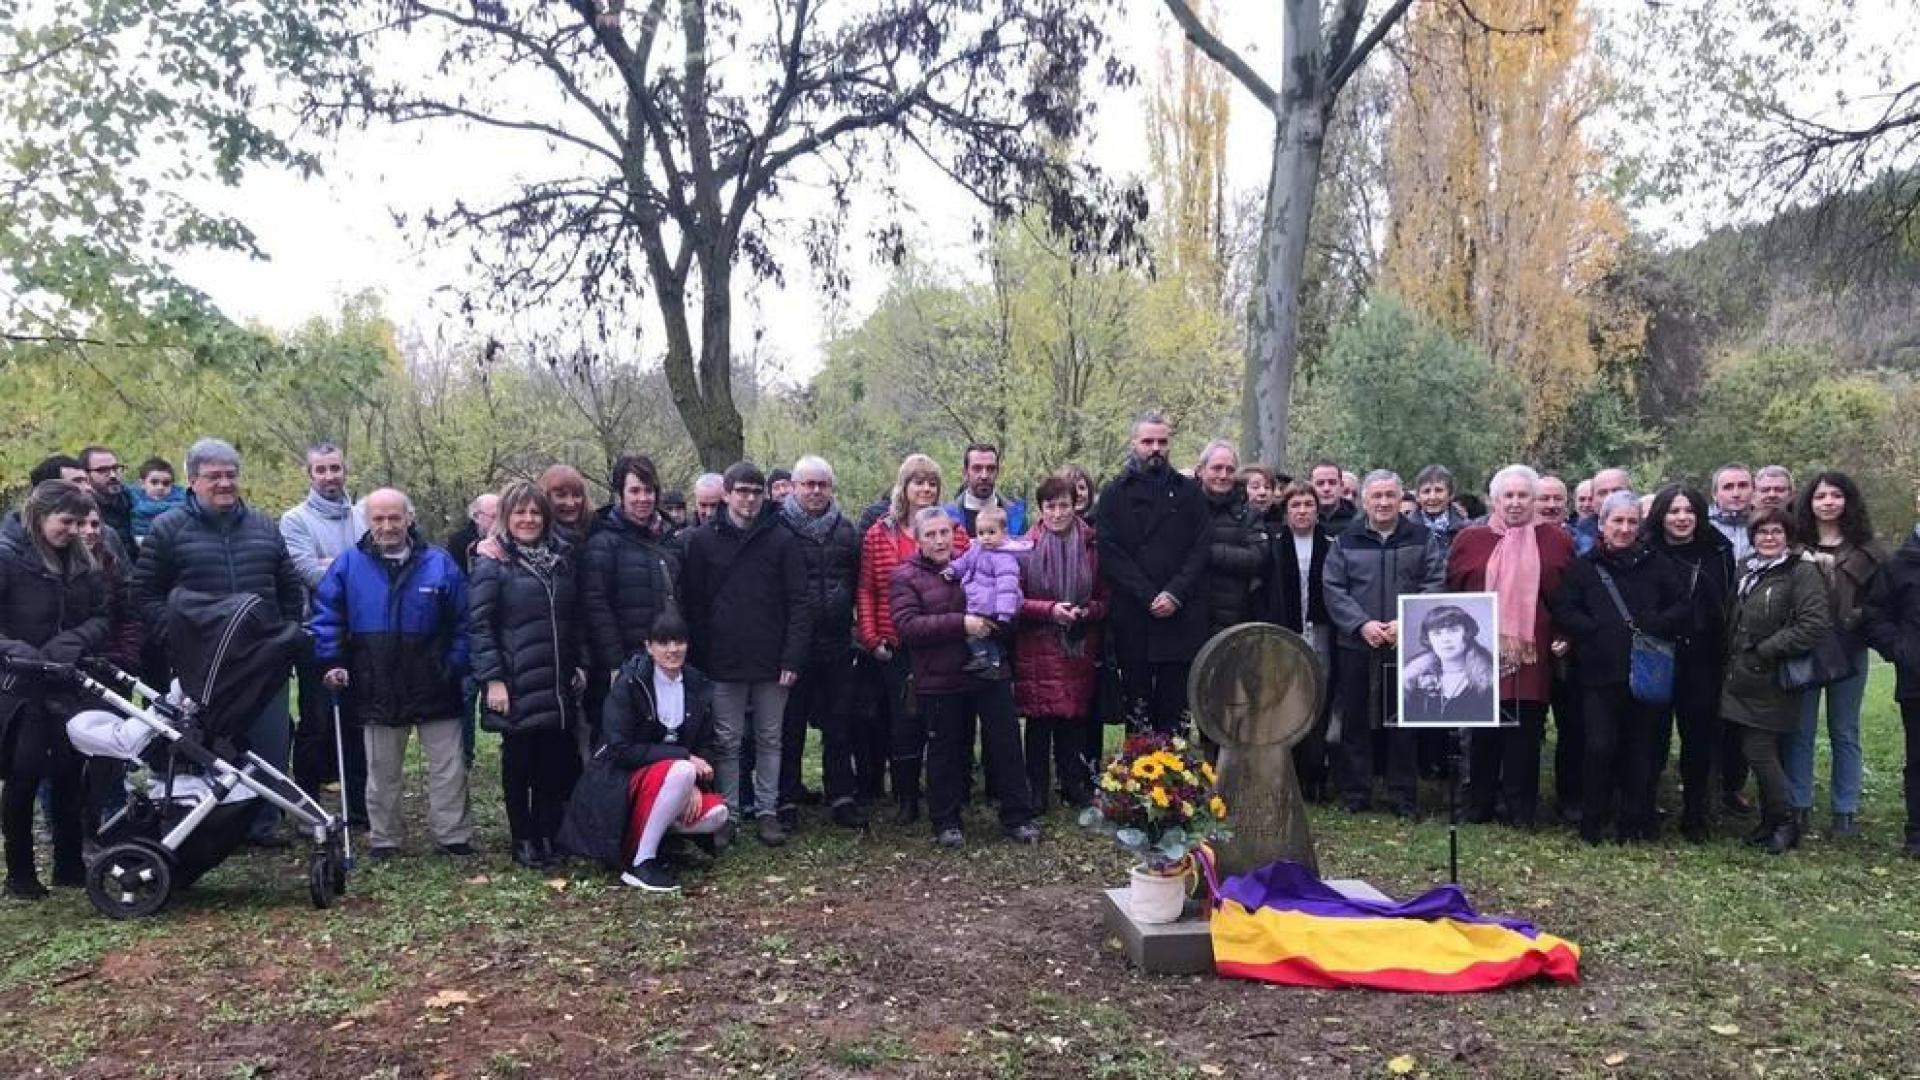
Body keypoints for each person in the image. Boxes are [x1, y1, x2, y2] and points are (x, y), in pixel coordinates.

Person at [134, 437, 305, 844]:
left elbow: (289, 589)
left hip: (262, 656)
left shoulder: (265, 526)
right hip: (200, 662)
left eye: (230, 475)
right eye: (213, 476)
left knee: (269, 739)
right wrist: (176, 635)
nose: (224, 483)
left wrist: (288, 635)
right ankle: (208, 825)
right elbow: (144, 593)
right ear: (193, 481)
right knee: (205, 744)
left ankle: (264, 822)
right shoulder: (167, 528)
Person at [312, 488, 474, 860]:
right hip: (375, 680)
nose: (387, 526)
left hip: (435, 680)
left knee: (448, 765)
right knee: (382, 768)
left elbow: (465, 623)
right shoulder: (348, 565)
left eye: (395, 518)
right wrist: (332, 660)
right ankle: (385, 836)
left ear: (409, 519)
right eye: (379, 519)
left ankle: (452, 834)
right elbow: (327, 617)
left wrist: (453, 665)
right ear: (368, 522)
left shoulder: (440, 563)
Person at [890, 507, 1041, 847]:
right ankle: (946, 820)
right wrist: (961, 623)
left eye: (944, 532)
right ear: (917, 539)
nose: (940, 540)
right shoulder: (904, 576)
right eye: (930, 534)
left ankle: (1018, 815)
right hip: (940, 677)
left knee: (1005, 743)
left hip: (989, 670)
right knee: (945, 750)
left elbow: (1005, 596)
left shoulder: (978, 557)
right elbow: (907, 626)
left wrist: (1007, 608)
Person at [681, 461, 812, 847]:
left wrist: (792, 658)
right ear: (726, 494)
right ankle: (729, 814)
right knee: (727, 741)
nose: (750, 499)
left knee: (771, 737)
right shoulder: (703, 541)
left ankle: (768, 811)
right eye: (742, 491)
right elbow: (694, 604)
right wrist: (701, 658)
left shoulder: (782, 540)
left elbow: (799, 603)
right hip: (723, 661)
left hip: (773, 661)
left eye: (756, 491)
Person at [1549, 491, 1691, 844]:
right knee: (1598, 747)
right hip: (1599, 674)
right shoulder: (1585, 566)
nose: (1625, 528)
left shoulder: (1657, 565)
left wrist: (1657, 623)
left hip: (1646, 673)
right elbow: (1564, 608)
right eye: (1618, 521)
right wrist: (1593, 629)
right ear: (1603, 524)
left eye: (1631, 521)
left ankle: (1635, 823)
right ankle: (1593, 820)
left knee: (1640, 750)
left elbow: (1683, 606)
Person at [1445, 465, 1577, 827]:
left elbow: (1569, 596)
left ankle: (1519, 809)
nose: (1516, 503)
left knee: (1526, 733)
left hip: (1532, 653)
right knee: (1481, 733)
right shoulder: (1468, 541)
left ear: (1534, 500)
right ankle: (1479, 805)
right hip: (1479, 651)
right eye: (1509, 496)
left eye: (1523, 496)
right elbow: (1452, 593)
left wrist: (1565, 635)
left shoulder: (1556, 541)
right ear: (1494, 500)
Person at [468, 480, 584, 869]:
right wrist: (493, 680)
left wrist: (579, 664)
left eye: (535, 512)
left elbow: (574, 619)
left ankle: (549, 832)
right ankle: (523, 838)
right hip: (515, 679)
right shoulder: (493, 561)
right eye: (520, 512)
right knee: (519, 762)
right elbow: (480, 625)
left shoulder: (563, 560)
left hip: (556, 680)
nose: (528, 519)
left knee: (552, 762)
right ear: (506, 517)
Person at [0, 482, 108, 899]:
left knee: (69, 773)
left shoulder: (83, 562)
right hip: (21, 685)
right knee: (24, 776)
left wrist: (76, 639)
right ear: (40, 516)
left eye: (82, 521)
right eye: (68, 521)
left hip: (67, 679)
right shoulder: (8, 558)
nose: (78, 530)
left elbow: (102, 615)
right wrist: (17, 650)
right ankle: (21, 874)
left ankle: (69, 865)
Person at [1323, 470, 1446, 816]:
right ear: (1364, 501)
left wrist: (1406, 622)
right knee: (1355, 720)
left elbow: (1435, 582)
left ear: (1401, 498)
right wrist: (1360, 624)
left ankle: (1403, 796)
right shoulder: (1346, 540)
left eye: (1390, 495)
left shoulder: (1422, 538)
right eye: (1376, 496)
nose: (1383, 502)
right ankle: (1356, 793)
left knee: (1403, 721)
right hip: (1356, 643)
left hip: (1406, 645)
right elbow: (1333, 588)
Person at [856, 454, 969, 823]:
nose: (925, 489)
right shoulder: (880, 532)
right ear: (904, 487)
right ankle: (906, 798)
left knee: (946, 724)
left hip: (945, 641)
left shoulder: (954, 529)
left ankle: (950, 794)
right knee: (903, 723)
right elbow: (868, 589)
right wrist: (872, 638)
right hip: (898, 643)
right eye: (917, 482)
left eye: (932, 483)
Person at [1721, 507, 1831, 854]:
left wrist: (1766, 650)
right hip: (1739, 679)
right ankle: (1769, 822)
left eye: (1776, 532)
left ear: (1788, 536)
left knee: (1760, 751)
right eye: (1762, 532)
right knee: (1751, 751)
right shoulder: (1746, 569)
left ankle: (1785, 821)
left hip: (1772, 678)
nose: (1768, 538)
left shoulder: (1801, 571)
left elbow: (1813, 624)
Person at [595, 613, 729, 893]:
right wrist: (684, 760)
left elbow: (706, 744)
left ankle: (661, 841)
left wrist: (692, 783)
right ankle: (641, 862)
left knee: (717, 814)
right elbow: (620, 749)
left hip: (675, 777)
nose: (672, 650)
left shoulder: (695, 683)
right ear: (648, 647)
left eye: (678, 641)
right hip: (625, 781)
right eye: (663, 643)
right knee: (681, 768)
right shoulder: (630, 683)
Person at [1095, 412, 1211, 733]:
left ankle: (1176, 780)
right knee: (1138, 707)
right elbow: (1110, 551)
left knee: (1175, 710)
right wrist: (1147, 595)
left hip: (1180, 614)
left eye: (1162, 442)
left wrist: (1175, 592)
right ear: (1135, 444)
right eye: (1148, 442)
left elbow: (1200, 548)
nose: (1155, 448)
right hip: (1135, 615)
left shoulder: (1189, 493)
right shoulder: (1114, 493)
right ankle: (1136, 779)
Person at [1786, 471, 1884, 838]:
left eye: (1836, 495)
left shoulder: (1870, 549)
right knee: (1800, 730)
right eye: (1820, 496)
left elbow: (1881, 601)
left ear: (1848, 501)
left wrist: (1858, 619)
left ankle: (1845, 812)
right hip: (1805, 650)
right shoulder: (1794, 547)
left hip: (1849, 649)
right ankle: (1798, 806)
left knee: (1845, 730)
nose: (1828, 502)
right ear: (1808, 503)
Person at [776, 455, 870, 830]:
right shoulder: (778, 530)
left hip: (836, 643)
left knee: (838, 724)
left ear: (831, 488)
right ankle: (785, 799)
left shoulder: (847, 531)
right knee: (790, 727)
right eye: (808, 484)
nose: (815, 491)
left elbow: (859, 584)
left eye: (822, 484)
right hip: (792, 647)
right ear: (795, 487)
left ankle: (841, 796)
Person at [281, 443, 369, 828]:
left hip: (363, 634)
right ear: (310, 474)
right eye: (321, 470)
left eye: (336, 468)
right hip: (315, 632)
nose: (330, 476)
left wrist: (334, 565)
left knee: (357, 721)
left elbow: (376, 564)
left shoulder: (364, 515)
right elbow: (310, 573)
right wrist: (353, 571)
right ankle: (308, 806)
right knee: (316, 723)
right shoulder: (294, 520)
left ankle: (358, 805)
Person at [1643, 485, 1736, 841]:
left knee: (1699, 738)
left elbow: (1726, 601)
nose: (1681, 518)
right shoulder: (1645, 549)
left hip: (1703, 655)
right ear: (1661, 515)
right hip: (1657, 651)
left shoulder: (1717, 550)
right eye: (1673, 511)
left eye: (1688, 511)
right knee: (1653, 736)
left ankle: (1696, 813)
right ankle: (1646, 807)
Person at [1015, 476, 1107, 810]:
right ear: (1041, 509)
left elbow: (1105, 598)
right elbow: (1015, 600)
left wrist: (1085, 611)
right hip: (1037, 644)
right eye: (1050, 506)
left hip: (1078, 644)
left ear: (1075, 505)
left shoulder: (1092, 545)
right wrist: (1050, 610)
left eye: (1063, 505)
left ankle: (1074, 785)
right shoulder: (1026, 546)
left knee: (1073, 721)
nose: (1057, 513)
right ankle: (1036, 790)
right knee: (1039, 725)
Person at [581, 455, 681, 762]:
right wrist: (615, 663)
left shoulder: (672, 539)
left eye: (649, 490)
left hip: (667, 660)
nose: (643, 498)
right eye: (635, 491)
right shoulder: (603, 543)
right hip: (623, 664)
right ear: (619, 494)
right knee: (619, 745)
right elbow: (596, 606)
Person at [1257, 481, 1336, 802]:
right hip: (1282, 631)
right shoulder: (1273, 544)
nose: (1302, 511)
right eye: (1295, 506)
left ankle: (1315, 774)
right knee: (1283, 701)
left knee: (1317, 699)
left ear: (1317, 510)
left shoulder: (1332, 543)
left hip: (1319, 632)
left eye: (1308, 505)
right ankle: (1284, 775)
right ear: (1286, 511)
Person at [1861, 490, 1920, 858]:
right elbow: (1874, 614)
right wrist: (1900, 650)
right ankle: (1917, 835)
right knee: (1919, 759)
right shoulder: (1899, 563)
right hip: (1917, 679)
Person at [948, 505, 1026, 678]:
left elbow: (1008, 586)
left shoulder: (1004, 557)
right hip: (977, 600)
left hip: (991, 606)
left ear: (1004, 532)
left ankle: (988, 660)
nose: (986, 538)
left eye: (991, 532)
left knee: (977, 634)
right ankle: (991, 659)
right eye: (981, 533)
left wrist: (1005, 612)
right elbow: (963, 562)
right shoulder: (976, 549)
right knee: (980, 634)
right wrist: (952, 570)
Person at [1195, 440, 1263, 636]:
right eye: (1217, 468)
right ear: (1201, 470)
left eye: (1229, 469)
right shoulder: (1184, 509)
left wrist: (1206, 553)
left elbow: (1256, 558)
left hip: (1235, 620)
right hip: (1190, 620)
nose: (1223, 475)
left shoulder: (1249, 513)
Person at [1399, 605, 1496, 723]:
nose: (1445, 639)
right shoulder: (1412, 682)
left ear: (1467, 633)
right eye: (1437, 633)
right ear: (1428, 639)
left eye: (1453, 631)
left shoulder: (1490, 680)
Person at [943, 442, 1027, 536]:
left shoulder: (1016, 516)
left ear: (998, 472)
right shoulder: (946, 516)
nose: (984, 476)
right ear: (965, 472)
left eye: (991, 468)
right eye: (977, 468)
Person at [77, 445, 135, 554]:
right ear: (85, 475)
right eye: (102, 470)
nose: (113, 475)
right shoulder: (82, 510)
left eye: (116, 468)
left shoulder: (134, 502)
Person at [1410, 464, 1471, 552]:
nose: (1433, 497)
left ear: (1451, 495)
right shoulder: (1405, 531)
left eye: (1438, 490)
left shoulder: (1466, 530)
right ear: (1417, 497)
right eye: (1426, 491)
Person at [1572, 467, 1631, 555]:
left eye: (1617, 491)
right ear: (1594, 499)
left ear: (1631, 493)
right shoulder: (1578, 537)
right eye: (1602, 493)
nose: (1610, 498)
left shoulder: (1647, 530)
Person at [130, 457, 186, 547]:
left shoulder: (182, 503)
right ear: (142, 484)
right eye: (154, 482)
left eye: (166, 483)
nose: (160, 487)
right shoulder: (132, 500)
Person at [445, 492, 500, 579]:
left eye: (502, 516)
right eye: (494, 516)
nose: (499, 522)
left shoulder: (510, 539)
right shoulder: (459, 542)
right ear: (476, 517)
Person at [538, 464, 592, 547]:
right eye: (561, 495)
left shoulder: (598, 532)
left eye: (576, 495)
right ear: (546, 498)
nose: (570, 503)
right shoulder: (537, 542)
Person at [1710, 465, 1755, 563]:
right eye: (1728, 487)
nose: (1736, 494)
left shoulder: (1765, 523)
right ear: (1714, 494)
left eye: (1743, 486)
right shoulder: (1702, 525)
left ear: (1754, 490)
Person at [1309, 459, 1357, 535]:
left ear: (1341, 485)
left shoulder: (1359, 521)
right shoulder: (1300, 519)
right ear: (1311, 487)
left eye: (1332, 483)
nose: (1326, 488)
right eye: (1320, 483)